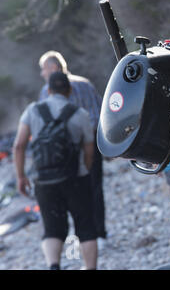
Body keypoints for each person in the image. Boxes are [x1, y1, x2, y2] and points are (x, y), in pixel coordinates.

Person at [13, 71, 98, 270]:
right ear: (69, 90)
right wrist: (85, 171)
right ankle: (90, 267)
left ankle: (53, 265)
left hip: (44, 180)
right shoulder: (80, 114)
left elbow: (19, 146)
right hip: (75, 178)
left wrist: (21, 176)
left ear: (48, 90)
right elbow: (89, 148)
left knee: (52, 228)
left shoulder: (32, 110)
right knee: (85, 226)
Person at [38, 51, 107, 247]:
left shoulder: (47, 91)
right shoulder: (85, 83)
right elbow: (102, 113)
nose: (42, 74)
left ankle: (83, 236)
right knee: (94, 188)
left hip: (65, 149)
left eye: (43, 69)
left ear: (53, 68)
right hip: (92, 142)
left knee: (73, 193)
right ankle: (99, 234)